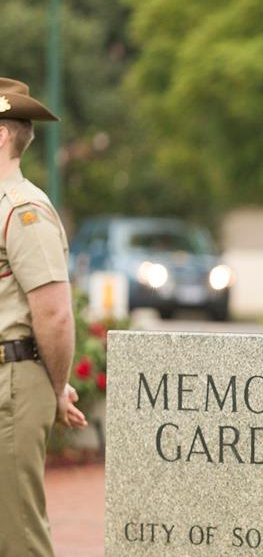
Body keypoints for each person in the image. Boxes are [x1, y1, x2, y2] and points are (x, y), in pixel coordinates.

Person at [0, 77, 87, 557]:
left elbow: (53, 314)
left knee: (17, 538)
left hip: (11, 382)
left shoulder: (24, 209)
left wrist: (54, 388)